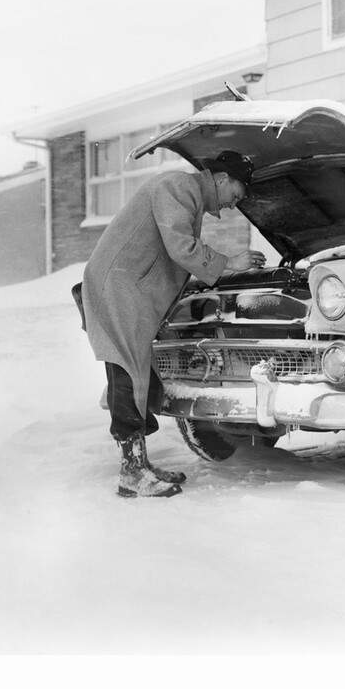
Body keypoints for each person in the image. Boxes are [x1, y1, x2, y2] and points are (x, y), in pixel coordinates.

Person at [80, 150, 266, 499]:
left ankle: (139, 465)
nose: (232, 205)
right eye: (235, 195)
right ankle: (131, 472)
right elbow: (181, 247)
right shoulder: (177, 186)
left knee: (138, 375)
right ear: (222, 179)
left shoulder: (188, 196)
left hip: (128, 288)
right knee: (128, 373)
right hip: (119, 287)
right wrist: (229, 262)